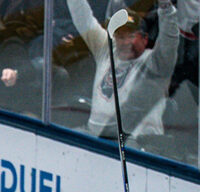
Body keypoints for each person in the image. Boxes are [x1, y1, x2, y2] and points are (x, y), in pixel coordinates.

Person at [65, 0, 179, 143]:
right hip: (95, 137)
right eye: (120, 36)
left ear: (144, 39)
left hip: (136, 143)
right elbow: (83, 18)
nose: (125, 42)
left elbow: (169, 39)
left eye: (131, 36)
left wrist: (166, 7)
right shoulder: (106, 50)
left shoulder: (156, 63)